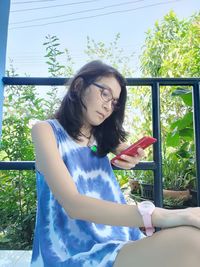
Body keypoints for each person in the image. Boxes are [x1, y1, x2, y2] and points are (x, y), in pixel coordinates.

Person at [30, 60, 200, 267]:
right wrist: (167, 215)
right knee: (192, 241)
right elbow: (73, 205)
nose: (108, 106)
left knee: (193, 233)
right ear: (78, 86)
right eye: (105, 94)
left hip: (121, 241)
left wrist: (130, 155)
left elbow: (122, 146)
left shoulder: (100, 137)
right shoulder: (45, 131)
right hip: (73, 252)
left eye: (114, 102)